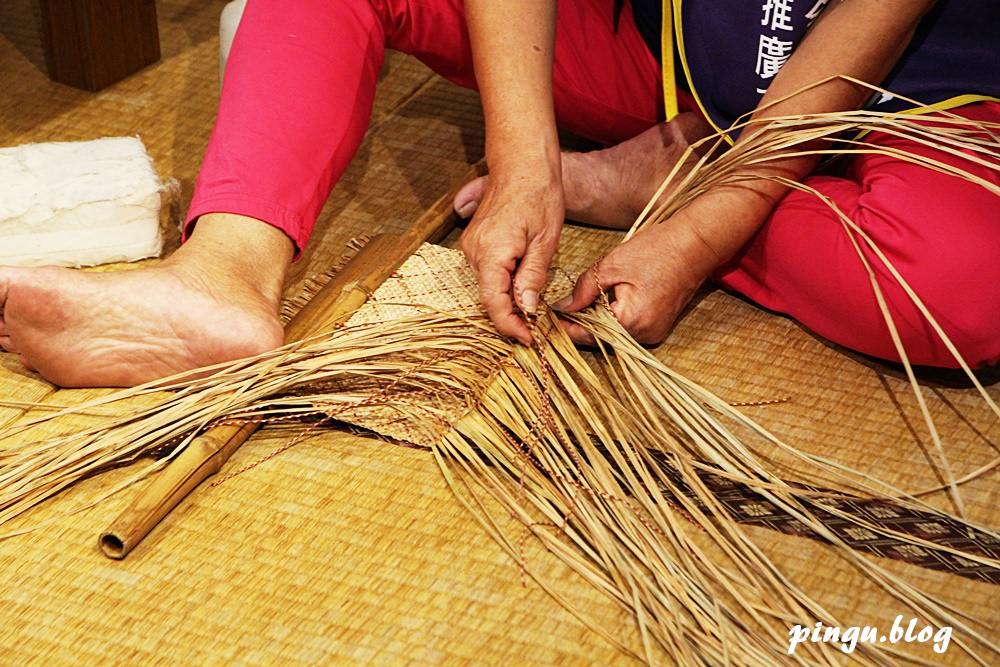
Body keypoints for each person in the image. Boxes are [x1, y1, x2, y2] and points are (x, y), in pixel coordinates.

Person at [0, 0, 997, 388]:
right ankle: (220, 271)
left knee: (966, 286)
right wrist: (526, 159)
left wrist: (697, 229)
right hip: (680, 52)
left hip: (916, 90)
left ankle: (668, 170)